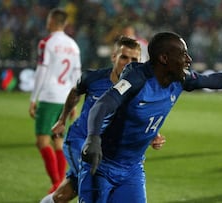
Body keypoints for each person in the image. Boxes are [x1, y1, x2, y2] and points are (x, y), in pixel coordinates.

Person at [79, 31, 222, 203]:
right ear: (164, 58)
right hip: (102, 165)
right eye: (182, 54)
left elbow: (215, 80)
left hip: (133, 169)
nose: (188, 60)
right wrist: (93, 138)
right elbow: (103, 104)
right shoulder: (136, 78)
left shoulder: (180, 79)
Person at [40, 36, 166, 203]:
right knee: (97, 185)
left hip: (106, 149)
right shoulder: (94, 78)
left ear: (140, 61)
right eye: (124, 57)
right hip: (80, 140)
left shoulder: (140, 88)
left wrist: (152, 134)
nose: (128, 63)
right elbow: (75, 92)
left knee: (64, 195)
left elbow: (141, 116)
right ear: (114, 57)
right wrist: (63, 119)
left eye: (134, 59)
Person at [29, 8, 81, 194]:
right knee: (57, 140)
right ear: (65, 23)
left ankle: (56, 183)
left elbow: (42, 70)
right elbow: (77, 75)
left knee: (42, 141)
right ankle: (60, 183)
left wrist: (33, 98)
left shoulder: (47, 42)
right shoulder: (73, 46)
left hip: (49, 96)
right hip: (65, 96)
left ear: (51, 21)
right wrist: (74, 102)